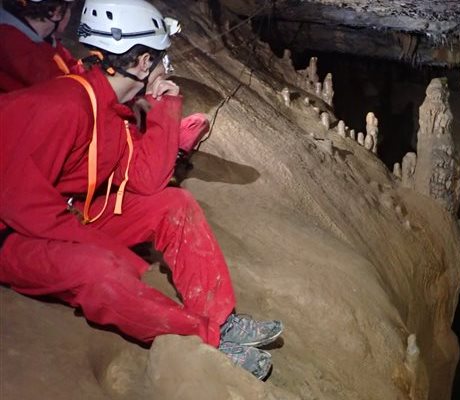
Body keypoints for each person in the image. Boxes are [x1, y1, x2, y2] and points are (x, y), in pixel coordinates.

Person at [0, 0, 281, 380]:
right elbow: (20, 202)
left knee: (173, 204)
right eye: (161, 57)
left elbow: (147, 180)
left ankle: (221, 318)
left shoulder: (110, 105)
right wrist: (107, 249)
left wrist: (165, 106)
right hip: (13, 234)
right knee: (98, 269)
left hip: (67, 212)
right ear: (144, 62)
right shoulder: (62, 104)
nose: (165, 66)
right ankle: (206, 337)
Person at [0, 0, 209, 174]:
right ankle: (163, 144)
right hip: (66, 144)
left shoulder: (36, 42)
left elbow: (69, 73)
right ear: (55, 11)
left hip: (73, 121)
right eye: (68, 7)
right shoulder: (20, 52)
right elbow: (74, 97)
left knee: (143, 106)